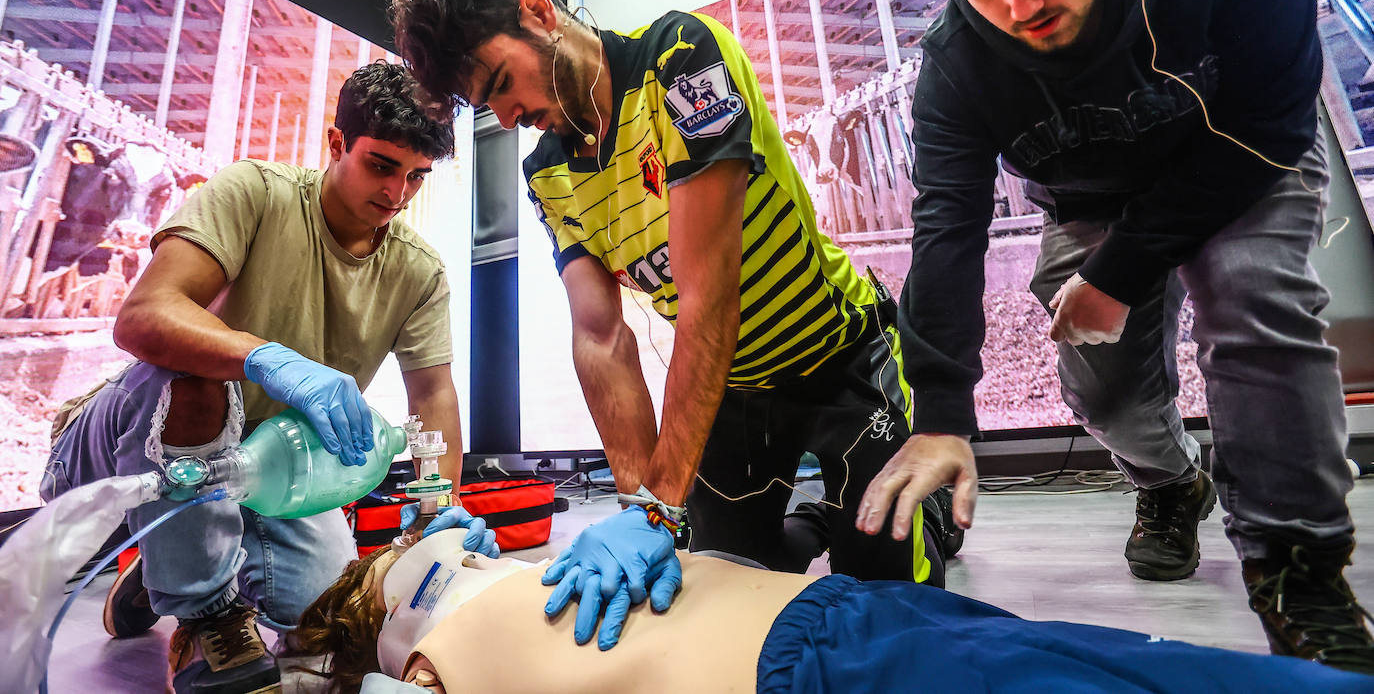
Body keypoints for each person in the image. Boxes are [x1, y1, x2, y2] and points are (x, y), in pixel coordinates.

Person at [855, 0, 1374, 674]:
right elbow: (947, 229)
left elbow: (1271, 127)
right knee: (1104, 396)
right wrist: (941, 415)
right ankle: (1173, 481)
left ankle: (1299, 574)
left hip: (1241, 158)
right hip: (1089, 203)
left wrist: (1124, 270)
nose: (1017, 5)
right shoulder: (954, 68)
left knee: (1252, 295)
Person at [390, 0, 940, 649]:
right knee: (716, 585)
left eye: (499, 83)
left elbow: (710, 294)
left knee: (888, 605)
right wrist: (636, 505)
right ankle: (813, 520)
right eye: (482, 105)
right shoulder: (547, 173)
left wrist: (660, 508)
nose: (504, 116)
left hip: (840, 357)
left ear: (537, 11)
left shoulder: (680, 59)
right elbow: (600, 335)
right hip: (734, 393)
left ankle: (904, 520)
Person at [41, 63, 491, 694]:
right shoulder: (256, 192)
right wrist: (263, 357)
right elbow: (144, 315)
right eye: (381, 165)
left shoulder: (417, 272)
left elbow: (434, 395)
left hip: (271, 470)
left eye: (417, 176)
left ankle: (169, 563)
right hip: (126, 451)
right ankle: (204, 617)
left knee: (324, 618)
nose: (397, 193)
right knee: (197, 378)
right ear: (337, 144)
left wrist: (440, 509)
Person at [282, 526, 1372, 694]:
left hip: (834, 617)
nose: (465, 546)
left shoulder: (556, 562)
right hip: (811, 665)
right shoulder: (434, 669)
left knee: (1142, 662)